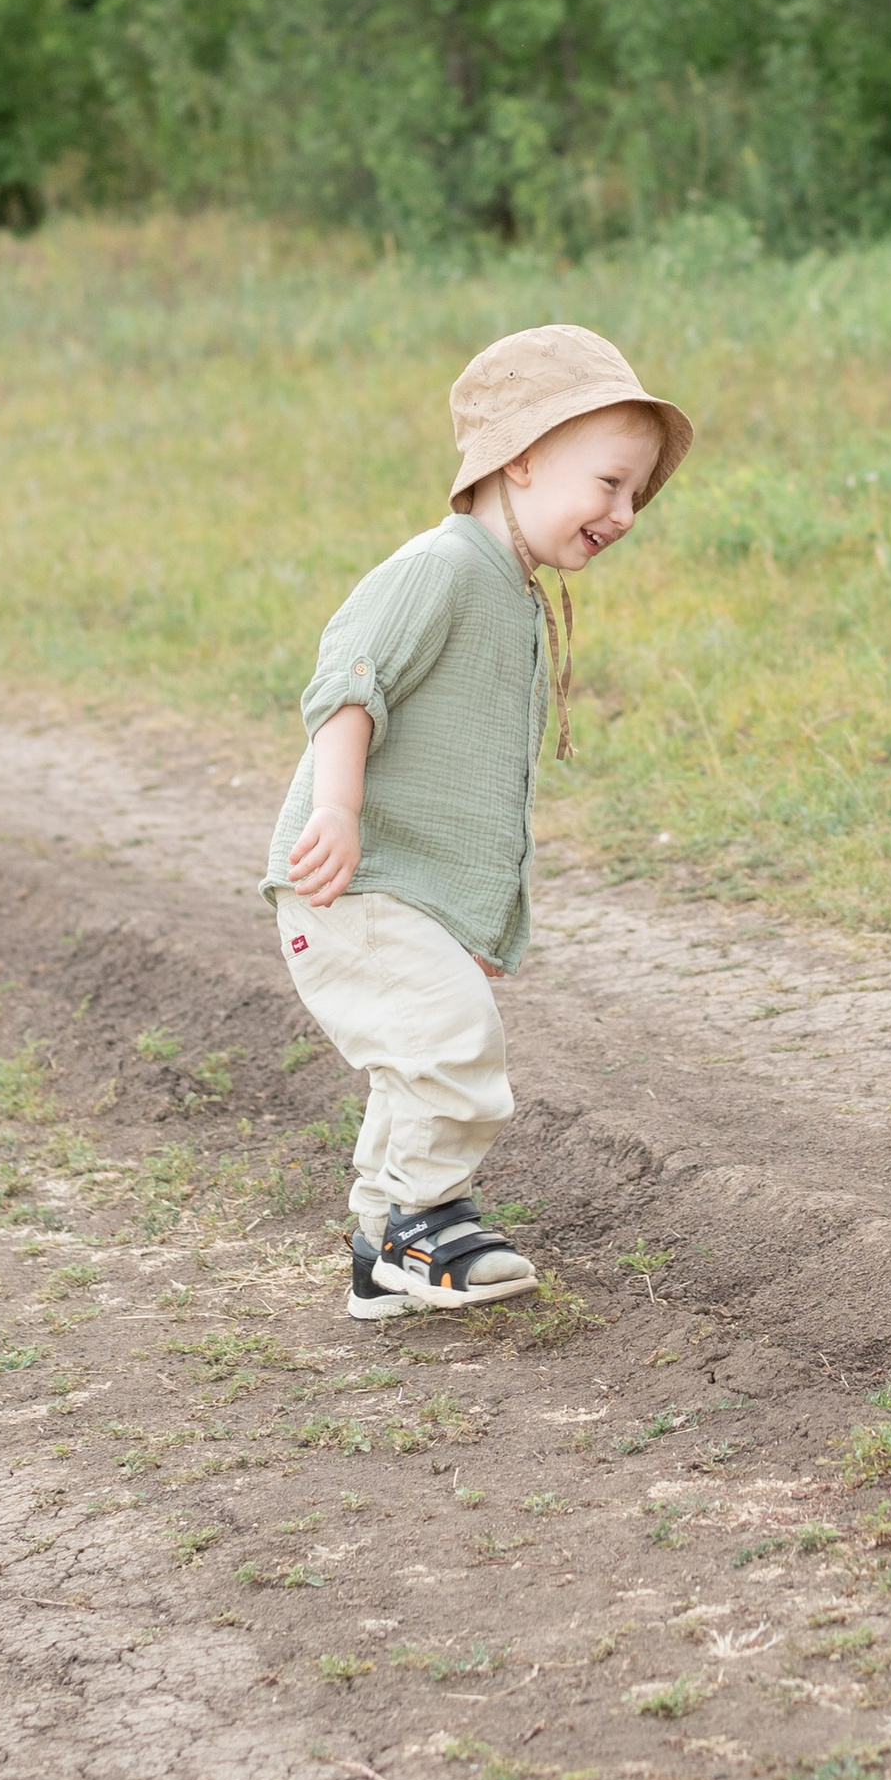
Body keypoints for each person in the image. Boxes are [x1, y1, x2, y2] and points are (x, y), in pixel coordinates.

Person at [264, 323, 693, 1320]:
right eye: (610, 483)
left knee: (421, 1053)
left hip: (405, 890)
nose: (626, 512)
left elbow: (471, 780)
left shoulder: (505, 587)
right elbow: (348, 679)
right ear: (524, 457)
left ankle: (381, 1251)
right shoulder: (444, 566)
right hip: (352, 880)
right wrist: (337, 806)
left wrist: (471, 923)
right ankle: (424, 1218)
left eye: (638, 495)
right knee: (452, 1043)